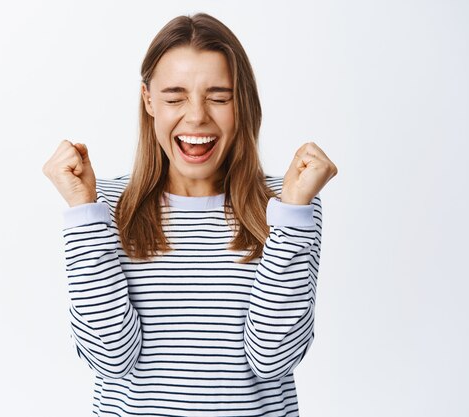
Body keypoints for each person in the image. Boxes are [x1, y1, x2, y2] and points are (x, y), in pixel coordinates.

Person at [42, 12, 338, 417]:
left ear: (243, 102)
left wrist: (293, 212)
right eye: (174, 97)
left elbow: (274, 357)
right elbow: (109, 358)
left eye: (219, 96)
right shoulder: (102, 207)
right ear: (148, 100)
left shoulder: (287, 205)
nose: (197, 115)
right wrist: (83, 214)